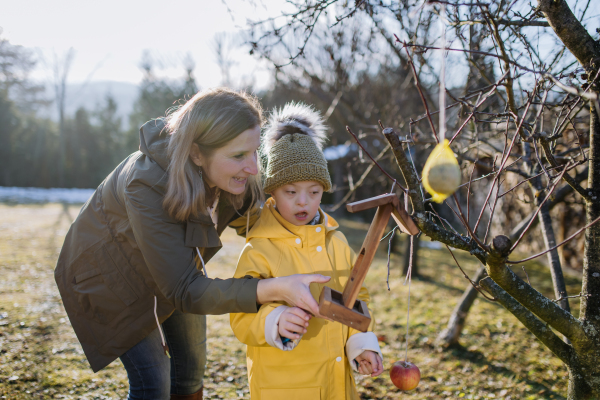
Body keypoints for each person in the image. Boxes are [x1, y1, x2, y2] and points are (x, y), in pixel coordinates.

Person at [54, 88, 330, 400]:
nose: (254, 168)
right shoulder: (145, 183)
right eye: (239, 155)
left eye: (254, 152)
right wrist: (275, 288)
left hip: (176, 273)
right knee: (154, 382)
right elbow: (185, 290)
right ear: (197, 153)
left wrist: (318, 230)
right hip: (112, 280)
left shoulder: (232, 176)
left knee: (189, 371)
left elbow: (261, 221)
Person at [230, 103, 384, 400]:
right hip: (285, 388)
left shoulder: (335, 243)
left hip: (336, 386)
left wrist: (361, 343)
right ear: (272, 191)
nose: (303, 202)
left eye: (314, 192)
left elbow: (356, 298)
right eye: (291, 192)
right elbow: (240, 315)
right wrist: (275, 320)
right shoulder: (260, 248)